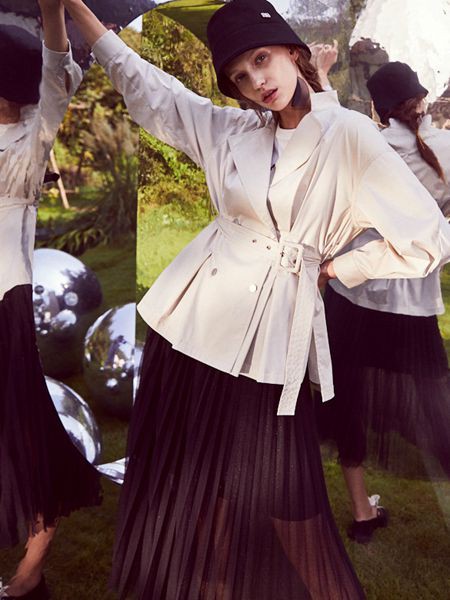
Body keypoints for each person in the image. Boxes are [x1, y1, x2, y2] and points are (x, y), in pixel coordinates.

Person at [61, 0, 450, 597]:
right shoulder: (234, 131)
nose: (256, 81)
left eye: (262, 59)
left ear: (294, 52)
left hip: (268, 347)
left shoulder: (347, 134)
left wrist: (338, 266)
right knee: (200, 489)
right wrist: (76, 11)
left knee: (285, 497)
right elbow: (150, 88)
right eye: (240, 75)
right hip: (188, 330)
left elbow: (429, 240)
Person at [319, 61, 450, 543]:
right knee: (438, 410)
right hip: (412, 305)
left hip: (352, 294)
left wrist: (321, 77)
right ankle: (364, 512)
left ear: (377, 107)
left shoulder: (368, 145)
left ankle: (362, 513)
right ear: (421, 99)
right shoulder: (445, 148)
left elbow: (328, 125)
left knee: (347, 401)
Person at [0, 2, 102, 598]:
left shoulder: (34, 130)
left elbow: (57, 64)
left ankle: (30, 571)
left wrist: (50, 9)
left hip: (5, 303)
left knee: (26, 437)